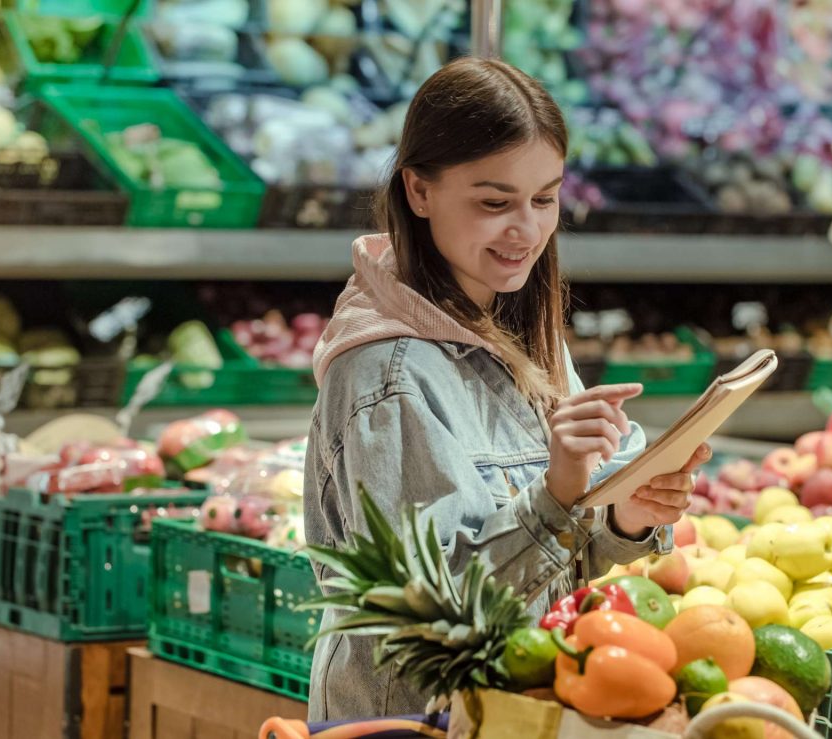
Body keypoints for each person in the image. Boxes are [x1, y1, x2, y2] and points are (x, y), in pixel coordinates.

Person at [303, 56, 710, 721]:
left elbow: (551, 568)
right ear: (419, 190)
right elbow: (433, 623)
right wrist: (556, 492)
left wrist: (625, 511)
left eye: (544, 199)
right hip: (410, 724)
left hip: (514, 712)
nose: (526, 229)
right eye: (495, 202)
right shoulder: (388, 372)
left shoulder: (512, 326)